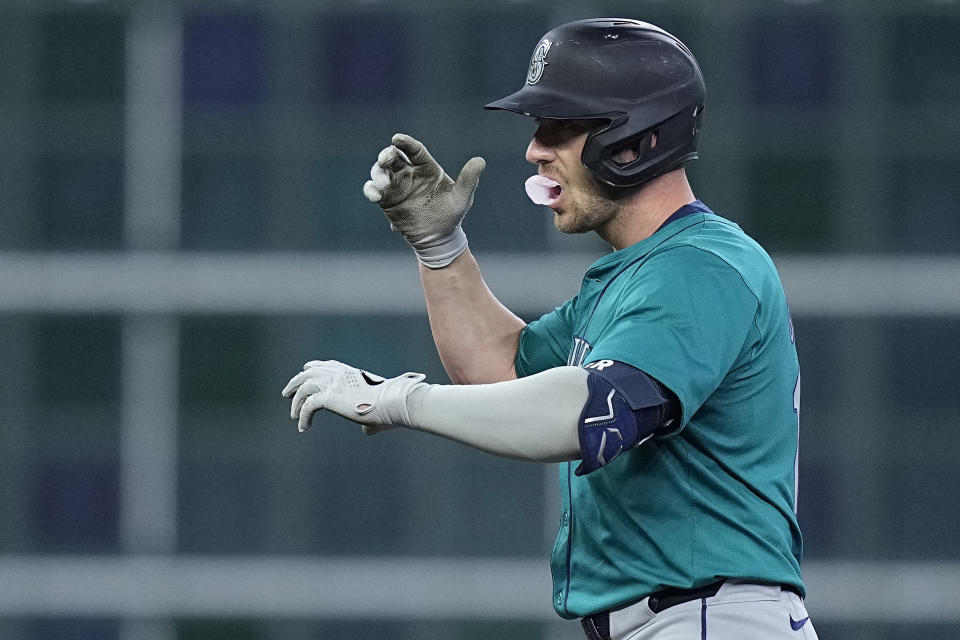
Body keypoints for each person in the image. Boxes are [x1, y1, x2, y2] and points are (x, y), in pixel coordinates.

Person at [282, 18, 817, 640]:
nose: (537, 149)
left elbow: (589, 412)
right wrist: (439, 247)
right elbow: (498, 370)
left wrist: (401, 399)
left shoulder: (700, 268)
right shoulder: (641, 273)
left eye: (562, 126)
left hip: (709, 619)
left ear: (637, 140)